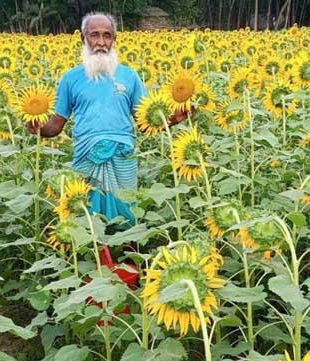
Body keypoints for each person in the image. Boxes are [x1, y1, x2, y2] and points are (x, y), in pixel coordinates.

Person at [27, 12, 190, 225]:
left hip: (123, 157)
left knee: (127, 214)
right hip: (86, 157)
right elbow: (57, 124)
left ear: (114, 39)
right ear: (83, 38)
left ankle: (128, 257)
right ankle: (95, 257)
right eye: (94, 35)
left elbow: (144, 123)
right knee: (85, 215)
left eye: (107, 36)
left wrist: (172, 120)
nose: (101, 42)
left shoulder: (129, 76)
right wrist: (37, 126)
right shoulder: (71, 78)